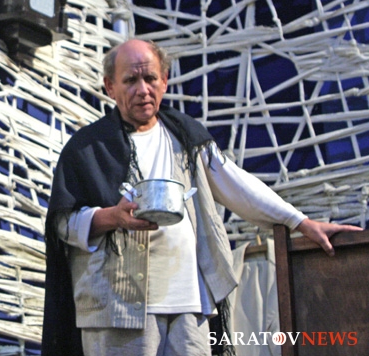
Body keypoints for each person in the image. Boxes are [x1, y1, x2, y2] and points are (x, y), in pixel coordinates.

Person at [42, 39, 361, 356]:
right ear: (110, 86)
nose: (143, 89)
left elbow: (238, 185)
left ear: (165, 81)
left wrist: (301, 222)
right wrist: (111, 217)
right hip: (117, 307)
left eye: (150, 78)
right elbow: (62, 224)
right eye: (130, 80)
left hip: (189, 304)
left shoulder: (186, 136)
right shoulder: (87, 148)